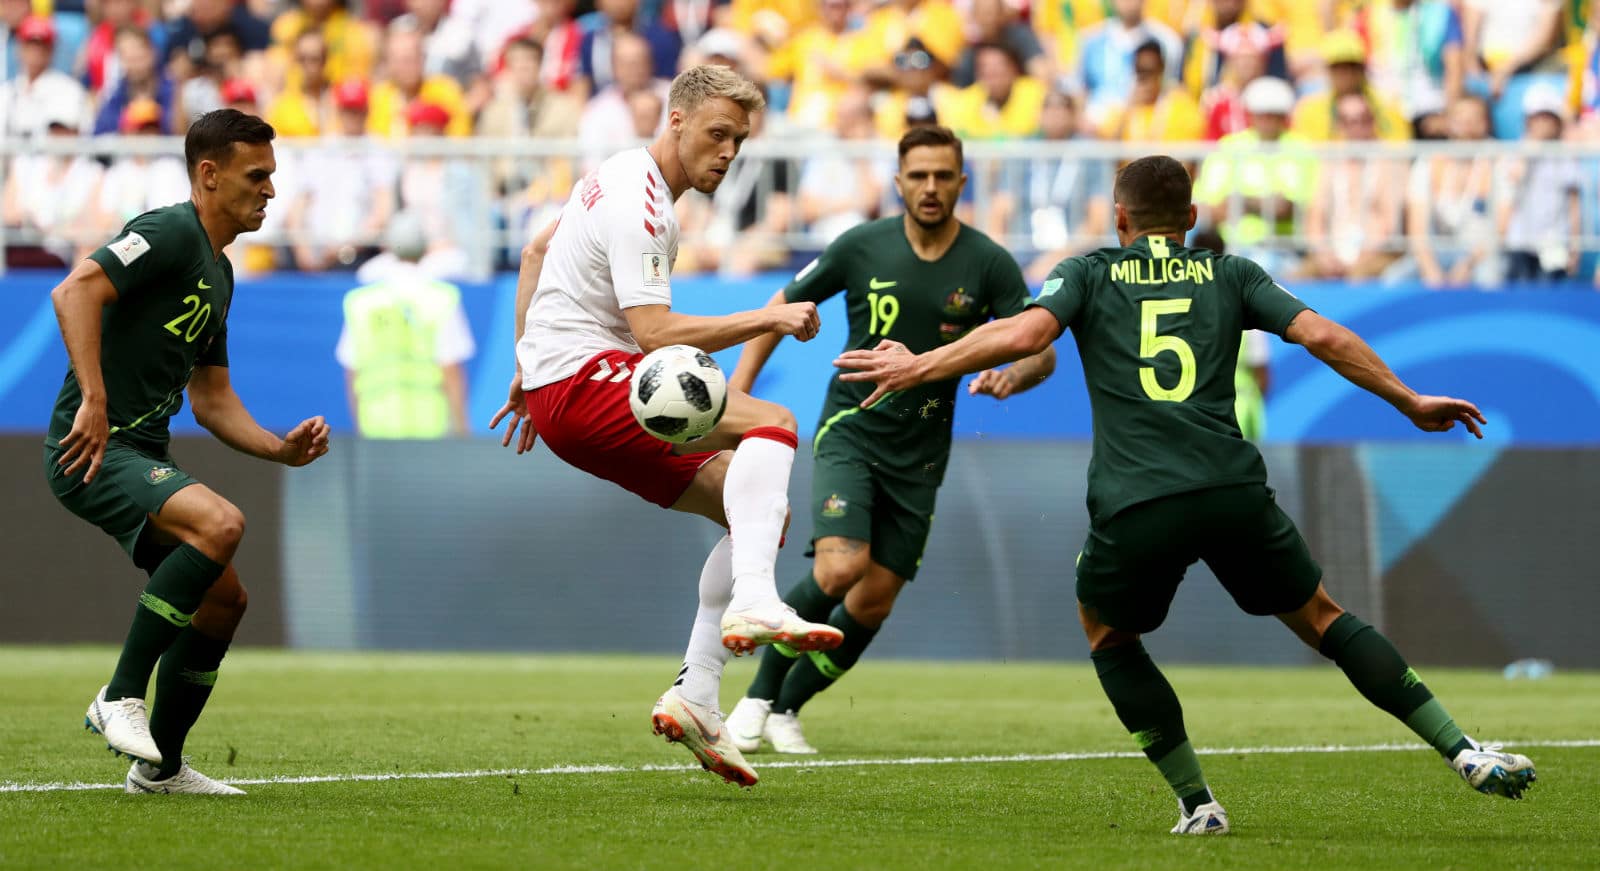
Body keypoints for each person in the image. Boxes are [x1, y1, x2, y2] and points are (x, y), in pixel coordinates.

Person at [833, 154, 1537, 834]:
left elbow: (1026, 332)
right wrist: (1408, 398)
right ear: (1191, 216)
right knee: (1323, 617)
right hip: (1231, 486)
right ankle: (1463, 748)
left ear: (1119, 219)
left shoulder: (1088, 272)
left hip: (1138, 498)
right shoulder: (1231, 271)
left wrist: (922, 364)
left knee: (1107, 630)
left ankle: (1197, 801)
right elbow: (1319, 333)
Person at [487, 65, 843, 788]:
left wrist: (527, 363)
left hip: (566, 385)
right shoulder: (641, 204)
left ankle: (698, 693)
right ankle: (755, 600)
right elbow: (654, 332)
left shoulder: (619, 175)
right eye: (717, 133)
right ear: (675, 120)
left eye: (739, 141)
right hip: (590, 381)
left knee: (753, 513)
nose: (727, 151)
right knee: (772, 423)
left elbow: (535, 252)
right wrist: (767, 315)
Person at [721, 125, 1056, 755]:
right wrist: (739, 392)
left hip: (923, 453)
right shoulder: (861, 247)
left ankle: (787, 708)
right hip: (851, 430)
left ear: (962, 181)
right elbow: (780, 307)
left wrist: (1015, 373)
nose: (930, 188)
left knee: (873, 600)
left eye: (943, 176)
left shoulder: (987, 263)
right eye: (919, 176)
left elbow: (1040, 348)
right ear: (898, 182)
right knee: (841, 567)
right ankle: (756, 698)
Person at [43, 109, 331, 795]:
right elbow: (74, 288)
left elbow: (212, 399)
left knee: (225, 600)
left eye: (271, 176)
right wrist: (92, 396)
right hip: (92, 446)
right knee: (222, 523)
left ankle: (161, 767)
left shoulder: (220, 273)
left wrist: (279, 450)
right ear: (209, 173)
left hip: (137, 448)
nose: (269, 190)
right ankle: (118, 694)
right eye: (255, 175)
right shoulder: (171, 230)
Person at [336, 212, 474, 438]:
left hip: (376, 428)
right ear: (425, 247)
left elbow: (352, 372)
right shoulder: (442, 298)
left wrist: (360, 428)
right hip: (431, 429)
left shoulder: (360, 302)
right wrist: (461, 429)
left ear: (387, 247)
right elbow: (451, 370)